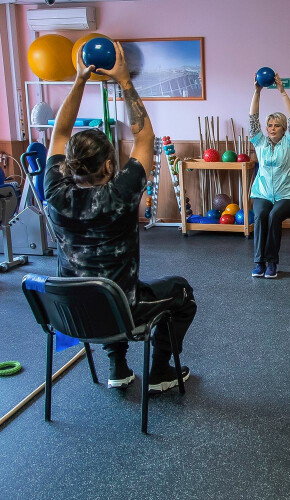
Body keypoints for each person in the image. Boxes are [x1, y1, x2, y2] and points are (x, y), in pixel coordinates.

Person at [45, 42, 196, 393]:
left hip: (70, 312)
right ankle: (160, 373)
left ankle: (118, 367)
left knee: (99, 287)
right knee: (181, 292)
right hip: (120, 311)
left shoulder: (53, 192)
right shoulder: (120, 193)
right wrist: (125, 80)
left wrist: (80, 79)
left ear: (68, 165)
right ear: (111, 165)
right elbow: (145, 136)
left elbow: (59, 134)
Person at [248, 71, 290, 279]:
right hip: (263, 193)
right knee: (261, 215)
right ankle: (259, 262)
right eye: (269, 125)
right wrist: (257, 91)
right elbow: (253, 119)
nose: (271, 129)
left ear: (283, 129)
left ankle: (272, 263)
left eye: (276, 125)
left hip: (288, 195)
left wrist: (282, 92)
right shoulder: (260, 142)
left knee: (273, 216)